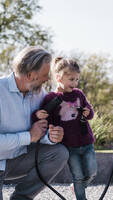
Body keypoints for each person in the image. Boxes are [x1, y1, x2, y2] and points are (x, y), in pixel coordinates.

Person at [0, 46, 69, 200]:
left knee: (59, 153)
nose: (47, 79)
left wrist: (50, 136)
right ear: (29, 75)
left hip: (16, 157)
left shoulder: (39, 94)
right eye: (44, 75)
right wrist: (29, 137)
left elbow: (38, 131)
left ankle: (21, 198)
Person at [32, 57, 97, 200]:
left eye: (77, 80)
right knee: (78, 175)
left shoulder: (79, 94)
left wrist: (88, 112)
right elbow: (42, 118)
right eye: (71, 79)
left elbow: (90, 112)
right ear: (59, 78)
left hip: (86, 142)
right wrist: (37, 115)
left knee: (92, 172)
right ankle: (80, 196)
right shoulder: (51, 98)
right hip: (69, 146)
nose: (75, 83)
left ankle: (76, 187)